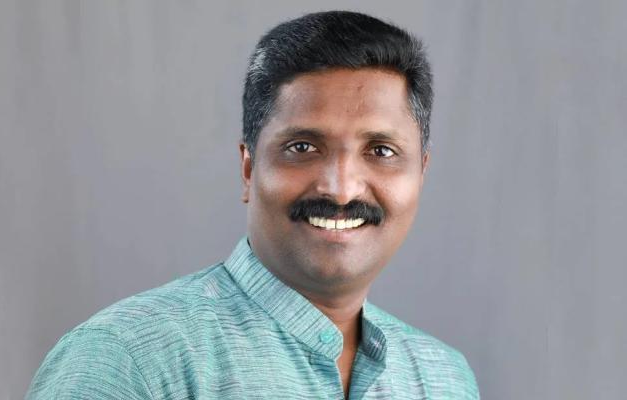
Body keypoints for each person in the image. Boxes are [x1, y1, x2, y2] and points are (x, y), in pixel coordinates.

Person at [27, 10, 480, 399]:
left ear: (421, 172)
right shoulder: (128, 360)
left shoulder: (444, 379)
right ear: (248, 168)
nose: (341, 190)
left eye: (380, 151)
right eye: (303, 147)